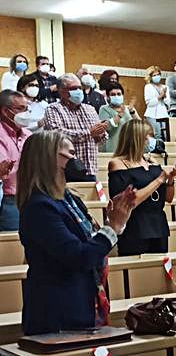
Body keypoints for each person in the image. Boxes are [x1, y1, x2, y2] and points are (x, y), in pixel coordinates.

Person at [17, 130, 136, 335]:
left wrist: (117, 220)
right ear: (48, 158)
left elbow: (93, 243)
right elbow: (78, 255)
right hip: (58, 312)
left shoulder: (70, 199)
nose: (75, 160)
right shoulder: (40, 207)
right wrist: (112, 228)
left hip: (84, 301)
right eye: (69, 154)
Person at [108, 120, 176, 256]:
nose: (151, 141)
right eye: (147, 137)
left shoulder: (152, 161)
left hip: (158, 226)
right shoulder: (117, 164)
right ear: (136, 138)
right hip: (135, 229)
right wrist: (159, 180)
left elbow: (168, 198)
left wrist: (171, 178)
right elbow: (128, 202)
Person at [44, 74, 108, 178]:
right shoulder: (53, 109)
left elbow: (101, 138)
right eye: (74, 88)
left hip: (91, 170)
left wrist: (100, 134)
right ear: (61, 91)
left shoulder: (90, 109)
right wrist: (89, 133)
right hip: (66, 172)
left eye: (79, 88)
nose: (78, 91)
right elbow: (57, 135)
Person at [0, 90, 32, 230]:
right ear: (5, 111)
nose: (25, 113)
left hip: (31, 197)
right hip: (8, 199)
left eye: (26, 109)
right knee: (13, 245)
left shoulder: (29, 135)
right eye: (20, 109)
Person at [98, 82, 140, 153]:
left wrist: (132, 111)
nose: (116, 96)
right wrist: (120, 114)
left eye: (119, 94)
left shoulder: (128, 108)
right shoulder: (104, 109)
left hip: (128, 148)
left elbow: (140, 126)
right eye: (113, 94)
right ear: (108, 97)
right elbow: (106, 127)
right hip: (112, 148)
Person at [143, 65, 170, 142]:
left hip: (164, 113)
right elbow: (149, 103)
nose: (157, 76)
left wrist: (164, 97)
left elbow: (168, 103)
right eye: (154, 75)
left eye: (158, 74)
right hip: (152, 114)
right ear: (150, 77)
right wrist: (159, 96)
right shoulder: (148, 87)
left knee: (166, 134)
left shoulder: (165, 87)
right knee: (157, 134)